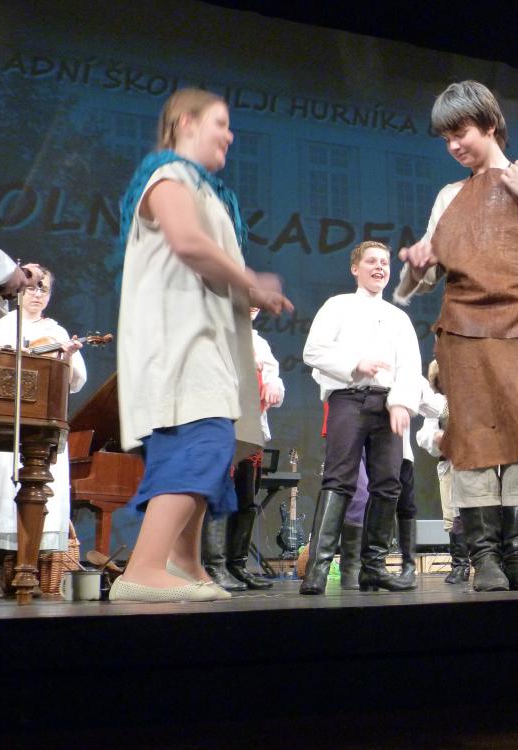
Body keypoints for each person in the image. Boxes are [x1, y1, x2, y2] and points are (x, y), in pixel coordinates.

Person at [397, 80, 518, 592]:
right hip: (465, 331)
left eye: (459, 132)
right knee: (475, 439)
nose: (453, 145)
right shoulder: (449, 196)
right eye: (446, 138)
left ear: (488, 124)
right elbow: (422, 278)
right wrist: (417, 264)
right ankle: (484, 557)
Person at [111, 88, 292, 603]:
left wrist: (248, 290)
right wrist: (252, 281)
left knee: (211, 446)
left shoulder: (205, 190)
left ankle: (184, 563)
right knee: (200, 443)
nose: (229, 135)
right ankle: (143, 568)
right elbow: (188, 243)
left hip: (203, 342)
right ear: (186, 122)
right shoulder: (168, 176)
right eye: (220, 123)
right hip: (177, 343)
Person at [302, 240, 421, 594]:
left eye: (384, 262)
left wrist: (401, 403)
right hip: (348, 398)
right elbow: (313, 351)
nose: (380, 267)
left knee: (388, 484)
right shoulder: (337, 306)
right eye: (372, 261)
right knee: (339, 480)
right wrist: (356, 363)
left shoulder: (399, 318)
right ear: (355, 268)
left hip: (387, 404)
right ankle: (318, 569)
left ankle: (373, 568)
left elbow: (410, 367)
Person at [0, 269, 85, 598]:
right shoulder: (1, 326)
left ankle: (26, 570)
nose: (37, 294)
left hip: (38, 424)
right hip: (2, 423)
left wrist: (67, 357)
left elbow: (73, 381)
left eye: (43, 289)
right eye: (32, 287)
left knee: (37, 492)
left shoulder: (55, 332)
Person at [201, 308, 284, 591]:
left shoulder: (259, 343)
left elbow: (274, 380)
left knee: (246, 499)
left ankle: (237, 565)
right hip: (222, 426)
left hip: (251, 429)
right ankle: (215, 566)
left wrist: (273, 385)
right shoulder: (214, 333)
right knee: (220, 496)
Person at [416, 361, 465, 583]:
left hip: (478, 464)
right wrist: (437, 439)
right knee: (455, 516)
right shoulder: (440, 403)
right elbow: (425, 434)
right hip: (452, 465)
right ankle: (460, 565)